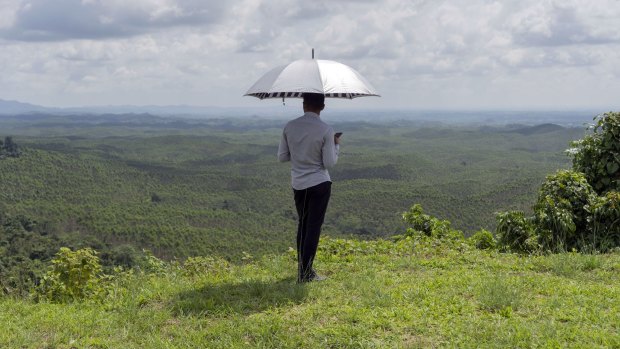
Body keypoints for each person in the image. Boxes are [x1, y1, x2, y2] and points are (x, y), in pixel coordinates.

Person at [278, 93, 340, 283]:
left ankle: (303, 269)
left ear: (303, 105)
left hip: (298, 184)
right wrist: (336, 145)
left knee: (303, 226)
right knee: (313, 227)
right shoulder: (326, 130)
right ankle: (306, 273)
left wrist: (300, 152)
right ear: (322, 106)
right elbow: (329, 163)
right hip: (319, 183)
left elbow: (282, 156)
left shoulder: (290, 126)